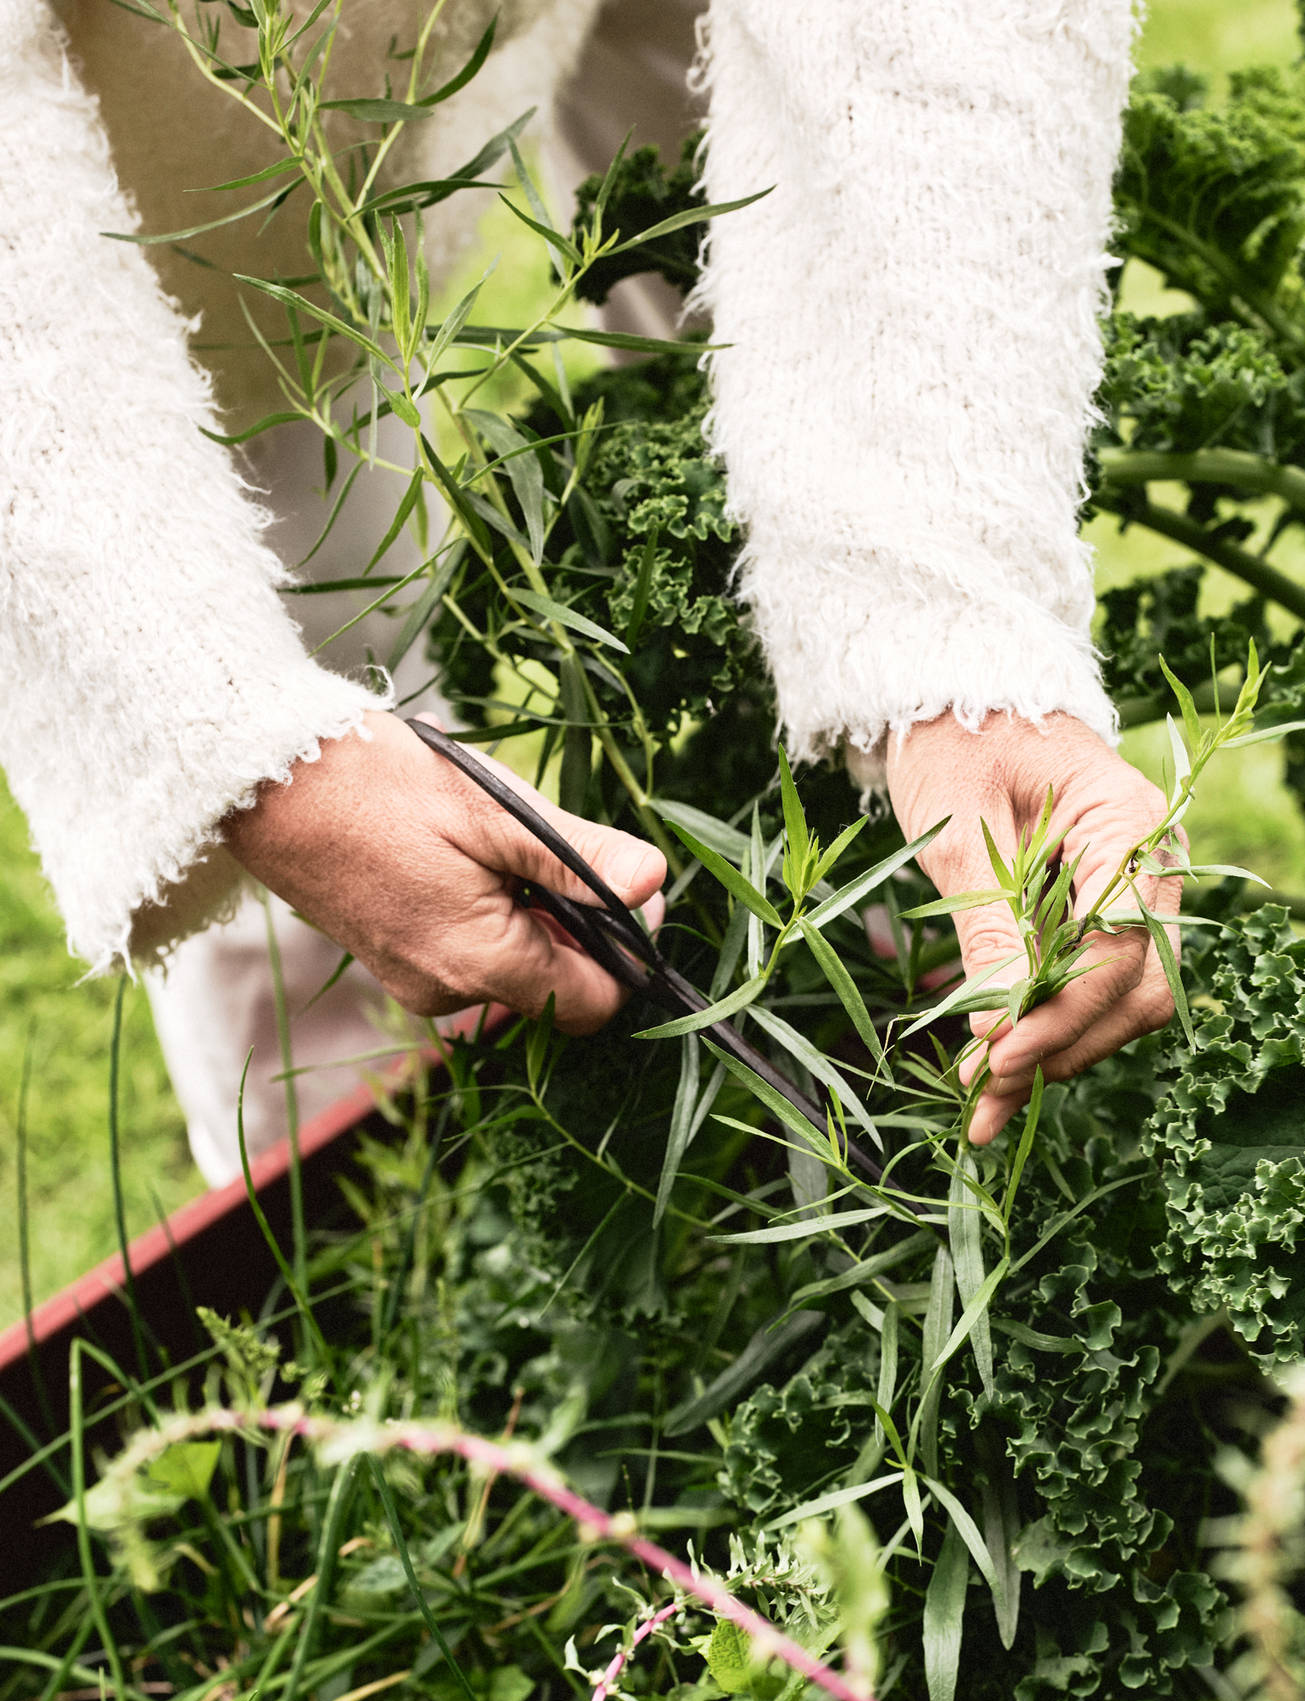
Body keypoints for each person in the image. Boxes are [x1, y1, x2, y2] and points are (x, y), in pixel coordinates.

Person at [0, 0, 1178, 1178]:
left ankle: (864, 1009)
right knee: (308, 715)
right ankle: (381, 1223)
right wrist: (236, 748)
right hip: (169, 196)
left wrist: (947, 626)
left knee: (755, 381)